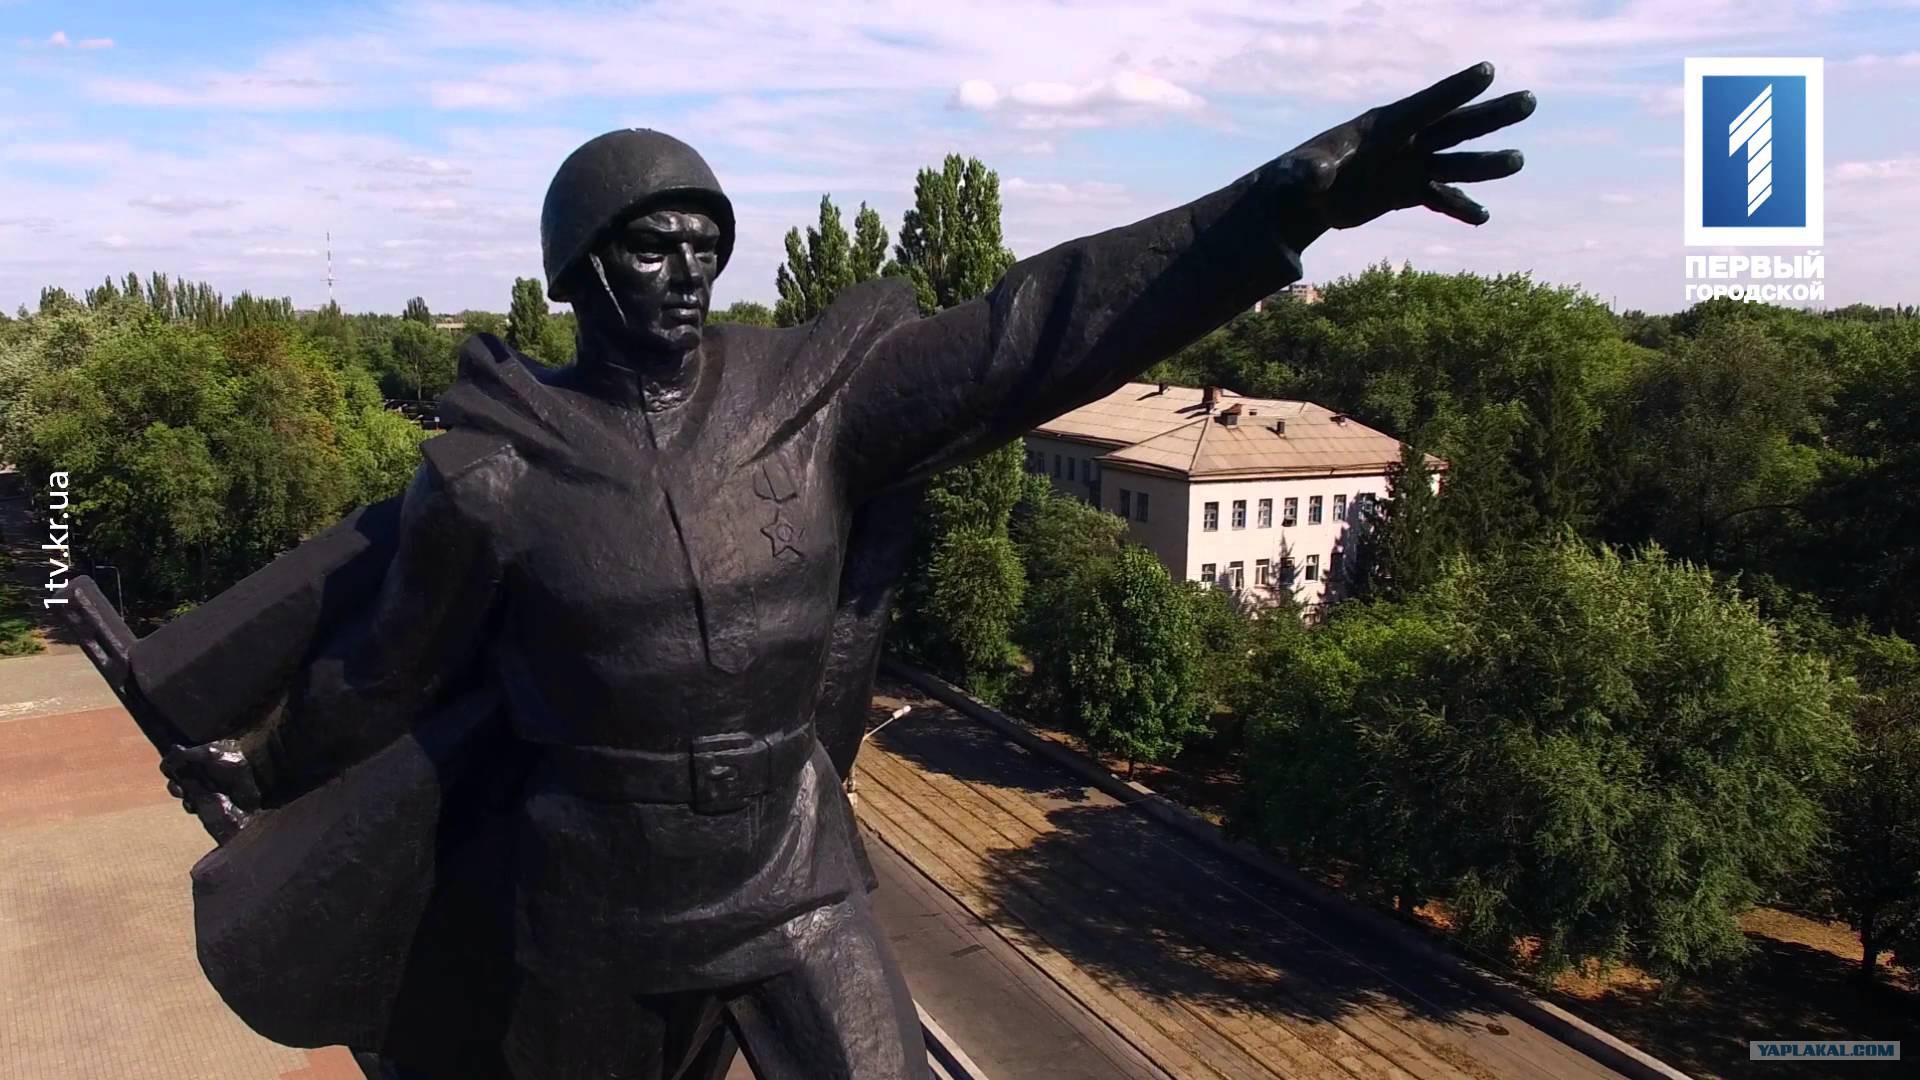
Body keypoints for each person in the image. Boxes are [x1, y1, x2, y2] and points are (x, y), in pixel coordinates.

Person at [144, 62, 1533, 1080]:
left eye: (705, 246)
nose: (687, 272)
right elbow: (387, 676)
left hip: (787, 871)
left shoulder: (807, 404)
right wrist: (263, 769)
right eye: (651, 246)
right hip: (593, 898)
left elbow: (1039, 327)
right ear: (577, 267)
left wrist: (1281, 205)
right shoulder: (493, 475)